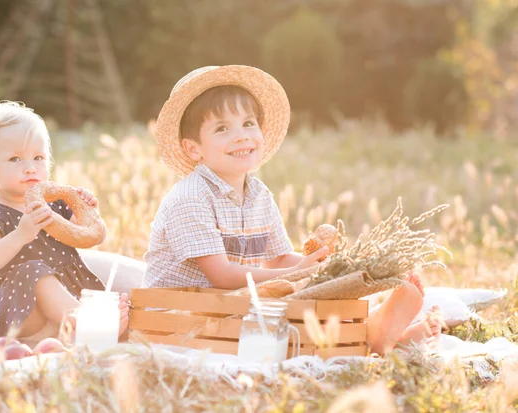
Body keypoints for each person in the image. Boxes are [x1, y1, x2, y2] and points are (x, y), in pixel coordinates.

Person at [143, 65, 442, 353]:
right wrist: (297, 272)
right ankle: (370, 336)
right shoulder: (190, 197)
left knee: (308, 293)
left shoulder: (258, 194)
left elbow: (279, 260)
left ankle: (375, 332)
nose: (242, 135)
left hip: (232, 304)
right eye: (222, 128)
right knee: (281, 311)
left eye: (248, 123)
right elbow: (221, 275)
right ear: (194, 148)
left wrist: (331, 268)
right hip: (181, 313)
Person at [0, 101, 129, 343]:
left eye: (38, 157)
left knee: (108, 297)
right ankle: (90, 325)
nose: (30, 168)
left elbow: (94, 236)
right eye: (15, 159)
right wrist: (20, 235)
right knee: (34, 271)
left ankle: (72, 331)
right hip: (19, 312)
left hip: (64, 301)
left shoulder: (58, 205)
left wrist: (91, 212)